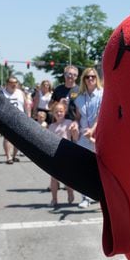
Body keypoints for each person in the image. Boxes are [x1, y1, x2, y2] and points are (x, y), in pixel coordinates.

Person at [74, 67, 103, 208]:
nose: (90, 79)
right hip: (84, 137)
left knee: (100, 169)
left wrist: (92, 130)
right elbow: (78, 118)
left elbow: (101, 117)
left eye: (93, 76)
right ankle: (85, 198)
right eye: (87, 77)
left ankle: (100, 196)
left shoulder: (103, 94)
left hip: (100, 136)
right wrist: (74, 125)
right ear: (83, 80)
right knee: (83, 168)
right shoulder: (79, 98)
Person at [46, 101, 78, 209]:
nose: (59, 113)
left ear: (64, 112)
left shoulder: (69, 122)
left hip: (67, 154)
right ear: (53, 113)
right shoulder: (51, 126)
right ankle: (54, 199)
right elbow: (48, 141)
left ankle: (70, 193)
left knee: (68, 178)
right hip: (54, 155)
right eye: (56, 112)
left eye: (61, 111)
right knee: (54, 179)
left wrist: (74, 130)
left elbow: (75, 137)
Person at [2, 76, 30, 164]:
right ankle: (8, 157)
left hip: (19, 117)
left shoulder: (20, 93)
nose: (14, 84)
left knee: (18, 139)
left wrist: (28, 115)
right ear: (7, 83)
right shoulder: (2, 93)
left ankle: (14, 156)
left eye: (15, 82)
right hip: (6, 117)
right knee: (7, 137)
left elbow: (26, 105)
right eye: (11, 82)